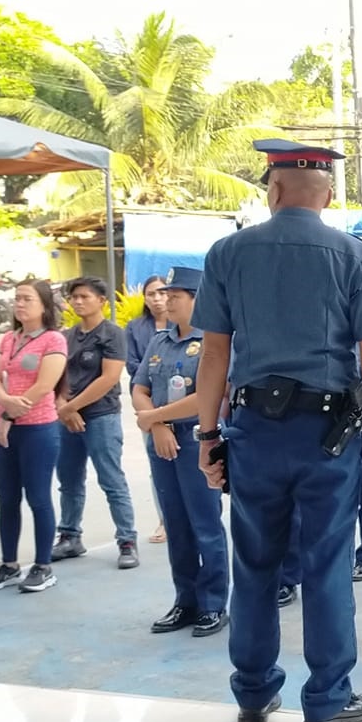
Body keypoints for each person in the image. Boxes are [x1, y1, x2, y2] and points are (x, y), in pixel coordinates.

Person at [192, 139, 362, 722]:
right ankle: (327, 698)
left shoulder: (228, 253)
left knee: (255, 563)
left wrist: (209, 437)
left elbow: (213, 352)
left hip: (253, 431)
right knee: (327, 562)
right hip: (327, 436)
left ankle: (254, 695)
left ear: (274, 190)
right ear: (328, 196)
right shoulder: (354, 256)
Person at [132, 266, 228, 638]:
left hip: (196, 438)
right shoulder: (160, 341)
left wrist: (156, 418)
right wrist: (156, 425)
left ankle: (214, 604)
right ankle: (185, 600)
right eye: (165, 295)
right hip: (162, 440)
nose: (166, 301)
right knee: (176, 523)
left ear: (196, 300)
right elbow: (139, 386)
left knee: (205, 524)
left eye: (175, 296)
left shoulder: (212, 343)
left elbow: (208, 396)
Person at [0, 279, 67, 594]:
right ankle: (9, 564)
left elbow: (45, 385)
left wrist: (8, 416)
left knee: (38, 497)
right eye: (17, 298)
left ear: (44, 305)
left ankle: (43, 565)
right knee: (7, 498)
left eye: (27, 299)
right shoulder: (9, 339)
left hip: (37, 428)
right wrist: (4, 402)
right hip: (5, 427)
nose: (19, 304)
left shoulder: (53, 340)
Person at [53, 276, 139, 568]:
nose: (78, 301)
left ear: (101, 300)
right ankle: (69, 536)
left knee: (111, 479)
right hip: (67, 417)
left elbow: (109, 378)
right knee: (69, 480)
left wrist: (72, 407)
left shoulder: (112, 334)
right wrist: (63, 406)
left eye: (85, 296)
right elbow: (57, 376)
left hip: (101, 415)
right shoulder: (66, 336)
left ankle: (127, 541)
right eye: (74, 297)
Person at [124, 274, 170, 545]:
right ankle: (165, 519)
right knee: (158, 463)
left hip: (181, 404)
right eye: (151, 293)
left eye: (162, 293)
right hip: (148, 403)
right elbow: (134, 367)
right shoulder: (136, 328)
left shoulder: (186, 326)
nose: (158, 298)